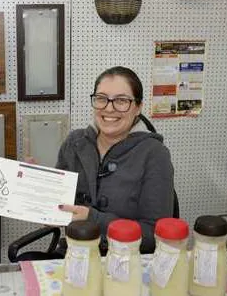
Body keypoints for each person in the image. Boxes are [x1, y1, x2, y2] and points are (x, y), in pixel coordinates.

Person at [57, 66, 174, 253]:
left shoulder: (154, 154)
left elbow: (155, 235)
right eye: (101, 99)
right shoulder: (75, 143)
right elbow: (59, 204)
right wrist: (37, 185)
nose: (109, 108)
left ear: (137, 108)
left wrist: (92, 218)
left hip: (127, 263)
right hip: (76, 255)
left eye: (121, 100)